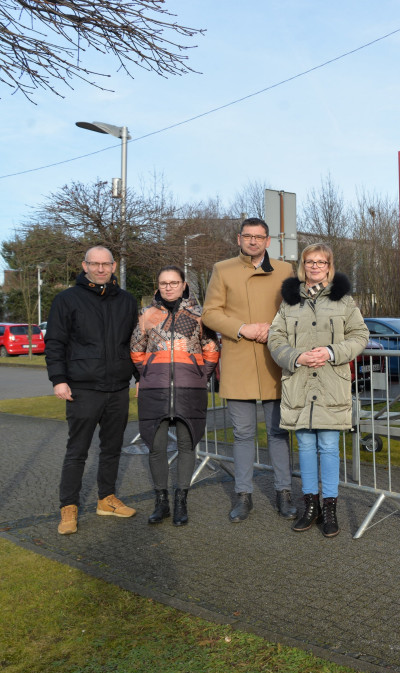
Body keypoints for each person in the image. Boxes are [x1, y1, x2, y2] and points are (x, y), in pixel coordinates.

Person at [268, 243, 369, 537]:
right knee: (306, 448)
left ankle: (330, 509)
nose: (315, 266)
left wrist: (331, 351)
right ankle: (310, 506)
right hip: (299, 384)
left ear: (329, 266)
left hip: (330, 385)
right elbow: (275, 338)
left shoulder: (344, 302)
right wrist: (296, 356)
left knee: (328, 446)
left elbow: (360, 335)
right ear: (303, 265)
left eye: (321, 262)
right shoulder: (289, 303)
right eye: (310, 261)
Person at [201, 218, 296, 522]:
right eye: (248, 236)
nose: (253, 241)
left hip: (274, 361)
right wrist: (243, 328)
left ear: (269, 241)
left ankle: (284, 493)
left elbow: (294, 309)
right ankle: (244, 495)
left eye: (259, 237)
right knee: (242, 433)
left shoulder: (284, 270)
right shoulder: (223, 269)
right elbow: (210, 313)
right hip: (239, 361)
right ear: (238, 238)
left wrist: (274, 329)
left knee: (278, 432)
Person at [46, 246, 139, 535]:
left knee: (112, 448)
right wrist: (58, 379)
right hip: (82, 388)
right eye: (94, 264)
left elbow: (133, 343)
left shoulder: (126, 301)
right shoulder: (66, 299)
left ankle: (106, 499)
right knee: (77, 451)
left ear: (114, 266)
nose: (100, 269)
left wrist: (141, 377)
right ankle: (68, 507)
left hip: (118, 388)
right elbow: (55, 343)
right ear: (84, 266)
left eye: (106, 264)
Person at [131, 266, 220, 526]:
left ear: (184, 285)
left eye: (173, 282)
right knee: (156, 447)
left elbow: (211, 347)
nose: (168, 287)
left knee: (186, 444)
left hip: (189, 388)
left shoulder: (200, 314)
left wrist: (201, 374)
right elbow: (136, 350)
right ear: (157, 286)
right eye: (163, 283)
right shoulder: (147, 314)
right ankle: (162, 503)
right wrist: (147, 373)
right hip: (154, 389)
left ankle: (181, 501)